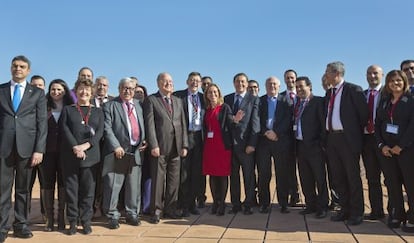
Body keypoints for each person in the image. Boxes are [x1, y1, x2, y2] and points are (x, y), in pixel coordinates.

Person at [0, 55, 47, 241]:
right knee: (3, 190)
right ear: (11, 68)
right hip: (3, 149)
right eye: (15, 66)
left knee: (23, 190)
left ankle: (21, 225)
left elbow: (42, 123)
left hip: (27, 150)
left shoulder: (36, 93)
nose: (18, 69)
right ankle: (2, 228)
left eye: (22, 66)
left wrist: (39, 149)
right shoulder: (1, 90)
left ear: (28, 70)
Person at [324, 61, 368, 226]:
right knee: (338, 177)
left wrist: (353, 135)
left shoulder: (353, 90)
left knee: (352, 176)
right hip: (332, 139)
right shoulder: (330, 93)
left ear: (336, 73)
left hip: (348, 140)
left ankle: (357, 212)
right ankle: (344, 209)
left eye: (327, 72)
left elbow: (363, 116)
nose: (325, 75)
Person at [60, 79, 104, 235]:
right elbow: (64, 129)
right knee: (71, 191)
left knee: (88, 191)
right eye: (80, 89)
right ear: (76, 91)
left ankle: (85, 221)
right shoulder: (68, 110)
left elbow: (99, 132)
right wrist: (76, 147)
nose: (84, 92)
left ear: (91, 93)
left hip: (91, 157)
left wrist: (86, 146)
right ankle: (72, 221)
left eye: (87, 90)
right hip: (70, 156)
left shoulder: (98, 111)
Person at [143, 72, 188, 224]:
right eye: (165, 81)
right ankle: (156, 210)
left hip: (176, 147)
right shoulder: (151, 100)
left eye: (171, 81)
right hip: (159, 147)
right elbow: (149, 125)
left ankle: (170, 209)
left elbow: (183, 124)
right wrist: (153, 144)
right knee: (158, 180)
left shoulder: (178, 101)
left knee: (174, 181)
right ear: (158, 83)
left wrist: (184, 145)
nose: (169, 83)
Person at [102, 77, 146, 229]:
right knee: (113, 185)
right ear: (119, 88)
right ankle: (112, 215)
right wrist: (115, 146)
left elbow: (143, 125)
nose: (128, 91)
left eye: (131, 89)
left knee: (133, 185)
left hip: (135, 151)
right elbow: (107, 128)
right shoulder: (110, 105)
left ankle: (132, 214)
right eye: (125, 88)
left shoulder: (139, 106)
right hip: (117, 152)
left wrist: (144, 141)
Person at [375, 70, 414, 233]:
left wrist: (402, 145)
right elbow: (377, 125)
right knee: (392, 184)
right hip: (387, 151)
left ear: (404, 82)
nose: (395, 83)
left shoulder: (411, 100)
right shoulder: (385, 101)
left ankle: (412, 217)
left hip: (406, 150)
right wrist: (381, 145)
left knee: (410, 185)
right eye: (391, 81)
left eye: (398, 80)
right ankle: (398, 214)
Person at [224, 72, 260, 215]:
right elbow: (226, 121)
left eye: (243, 82)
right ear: (234, 83)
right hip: (231, 145)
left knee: (248, 176)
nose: (240, 84)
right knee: (233, 177)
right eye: (238, 81)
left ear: (246, 83)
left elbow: (255, 123)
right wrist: (234, 120)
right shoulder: (227, 99)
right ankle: (235, 203)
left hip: (246, 145)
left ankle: (249, 203)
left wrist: (252, 144)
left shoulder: (253, 99)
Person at [41, 79, 74, 232]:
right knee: (47, 183)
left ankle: (61, 217)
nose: (56, 92)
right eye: (53, 89)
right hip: (46, 151)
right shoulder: (43, 105)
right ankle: (49, 219)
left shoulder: (70, 107)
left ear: (65, 91)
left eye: (59, 89)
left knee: (62, 183)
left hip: (65, 152)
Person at [294, 76, 328, 218]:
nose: (299, 89)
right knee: (305, 177)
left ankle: (323, 206)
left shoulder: (318, 102)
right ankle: (310, 204)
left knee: (319, 177)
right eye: (297, 87)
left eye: (302, 86)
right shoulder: (297, 104)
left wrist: (320, 143)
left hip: (315, 146)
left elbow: (323, 124)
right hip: (300, 146)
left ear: (310, 86)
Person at [257, 76, 291, 214]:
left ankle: (283, 203)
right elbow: (256, 119)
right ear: (265, 86)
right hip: (263, 142)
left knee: (281, 173)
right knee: (264, 173)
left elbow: (288, 119)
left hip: (280, 140)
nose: (272, 86)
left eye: (275, 84)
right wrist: (266, 132)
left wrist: (276, 133)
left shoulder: (286, 101)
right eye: (269, 84)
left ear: (279, 86)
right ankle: (264, 203)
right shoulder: (259, 101)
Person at [174, 72, 206, 217]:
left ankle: (192, 204)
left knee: (196, 173)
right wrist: (182, 143)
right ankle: (183, 204)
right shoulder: (178, 96)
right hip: (184, 138)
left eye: (197, 81)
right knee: (184, 173)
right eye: (192, 80)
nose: (195, 83)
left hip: (199, 138)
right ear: (187, 81)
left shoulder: (203, 98)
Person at [202, 83, 236, 216]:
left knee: (222, 175)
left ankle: (222, 203)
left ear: (219, 94)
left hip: (222, 146)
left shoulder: (225, 107)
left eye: (215, 92)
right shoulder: (206, 109)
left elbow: (230, 123)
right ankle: (215, 202)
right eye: (210, 92)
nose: (213, 95)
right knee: (212, 175)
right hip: (209, 146)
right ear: (207, 95)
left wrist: (236, 120)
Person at [361, 65, 385, 220]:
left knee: (391, 178)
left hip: (384, 140)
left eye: (375, 73)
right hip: (366, 140)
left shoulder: (387, 94)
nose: (372, 76)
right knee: (372, 177)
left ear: (382, 75)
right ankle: (376, 211)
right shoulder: (361, 95)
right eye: (369, 73)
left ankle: (395, 211)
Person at [91, 76, 114, 218]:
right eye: (99, 85)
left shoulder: (114, 101)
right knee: (93, 177)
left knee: (107, 177)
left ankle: (106, 207)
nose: (101, 87)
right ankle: (93, 207)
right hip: (93, 144)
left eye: (104, 85)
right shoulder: (88, 100)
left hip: (109, 144)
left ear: (108, 87)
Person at [279, 69, 300, 207]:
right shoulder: (280, 98)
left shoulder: (304, 95)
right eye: (287, 78)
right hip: (286, 137)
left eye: (292, 78)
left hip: (302, 136)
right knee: (288, 167)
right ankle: (293, 194)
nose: (290, 80)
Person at [28, 75, 46, 221]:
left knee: (45, 185)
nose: (37, 88)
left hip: (45, 151)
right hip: (26, 150)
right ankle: (24, 213)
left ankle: (45, 213)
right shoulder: (24, 103)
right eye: (34, 85)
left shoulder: (49, 104)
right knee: (26, 184)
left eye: (40, 85)